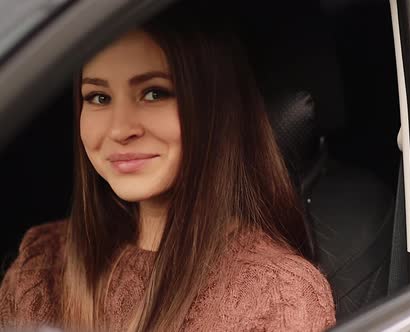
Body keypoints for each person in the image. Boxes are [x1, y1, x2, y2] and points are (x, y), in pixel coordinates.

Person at [0, 5, 335, 332]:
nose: (119, 130)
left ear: (215, 110)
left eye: (154, 93)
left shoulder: (276, 295)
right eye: (99, 98)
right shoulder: (40, 263)